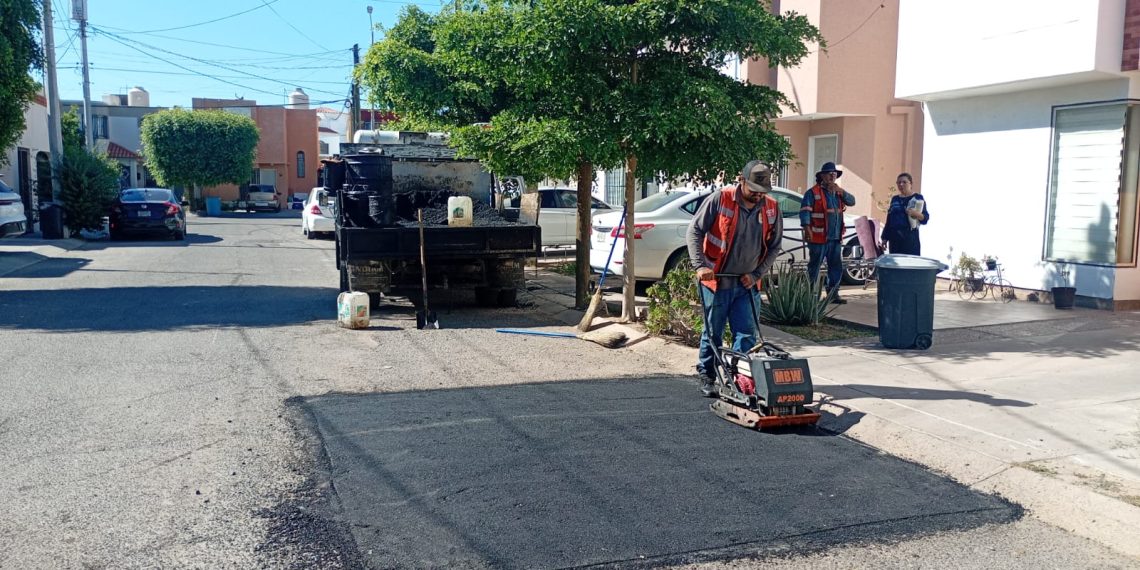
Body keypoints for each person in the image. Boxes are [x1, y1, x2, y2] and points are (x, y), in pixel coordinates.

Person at [687, 160, 784, 397]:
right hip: (717, 281)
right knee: (714, 332)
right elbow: (695, 231)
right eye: (754, 191)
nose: (758, 196)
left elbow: (774, 247)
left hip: (746, 284)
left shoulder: (771, 208)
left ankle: (735, 375)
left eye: (763, 192)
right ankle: (707, 373)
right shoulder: (720, 199)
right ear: (741, 181)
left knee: (747, 334)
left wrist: (756, 274)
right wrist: (700, 266)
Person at [799, 162, 856, 303]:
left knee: (835, 266)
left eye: (834, 174)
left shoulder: (838, 193)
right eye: (829, 173)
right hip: (818, 238)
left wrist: (841, 191)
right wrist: (807, 230)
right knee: (814, 266)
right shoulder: (812, 193)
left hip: (835, 238)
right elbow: (805, 212)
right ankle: (810, 295)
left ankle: (833, 294)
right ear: (822, 176)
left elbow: (852, 201)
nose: (832, 176)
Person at [880, 172, 928, 255]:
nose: (901, 184)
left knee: (909, 265)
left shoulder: (918, 197)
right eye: (898, 183)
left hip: (910, 240)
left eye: (904, 182)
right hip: (894, 241)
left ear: (911, 183)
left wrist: (916, 214)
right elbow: (889, 220)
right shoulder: (895, 199)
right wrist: (884, 238)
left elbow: (925, 218)